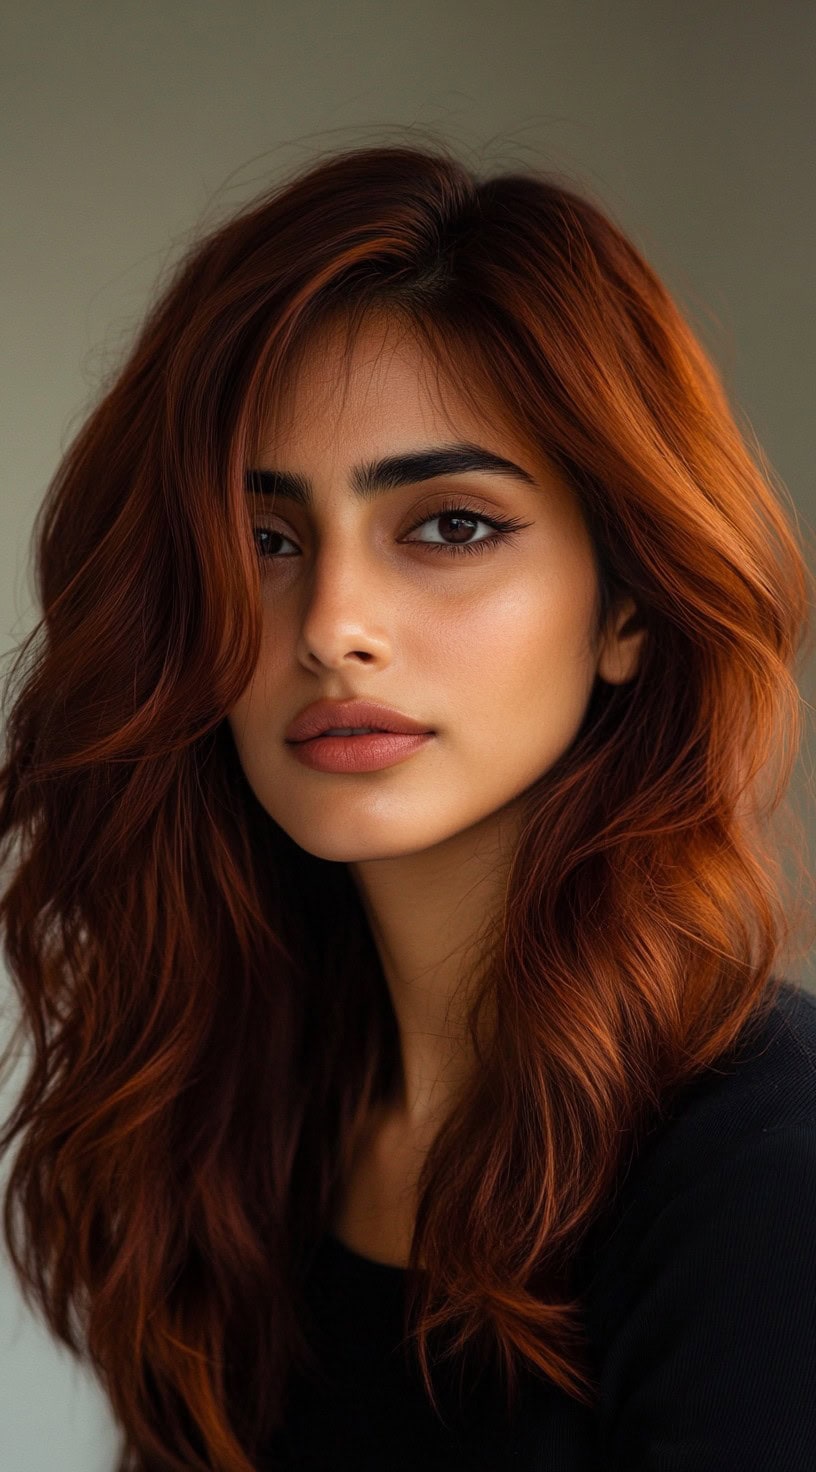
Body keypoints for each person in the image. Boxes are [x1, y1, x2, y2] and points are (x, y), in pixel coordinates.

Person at [0, 138, 814, 1472]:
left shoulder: (765, 1181)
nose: (331, 627)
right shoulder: (241, 1132)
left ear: (626, 604)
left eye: (448, 526)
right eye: (265, 541)